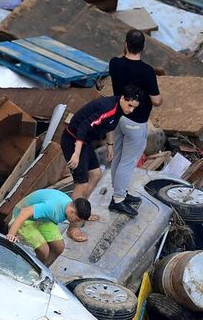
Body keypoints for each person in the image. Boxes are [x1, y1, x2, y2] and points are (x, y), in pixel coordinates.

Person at [60, 84, 143, 242]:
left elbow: (109, 125)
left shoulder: (119, 109)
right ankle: (73, 226)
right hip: (73, 140)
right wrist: (76, 154)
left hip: (86, 143)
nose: (131, 110)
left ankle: (83, 211)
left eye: (134, 107)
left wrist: (110, 145)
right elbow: (83, 127)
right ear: (123, 98)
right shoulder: (108, 108)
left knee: (96, 174)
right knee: (81, 184)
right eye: (130, 105)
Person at [106, 29, 162, 218]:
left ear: (125, 44)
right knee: (128, 162)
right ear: (143, 48)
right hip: (136, 122)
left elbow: (122, 61)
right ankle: (119, 199)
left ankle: (118, 191)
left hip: (118, 116)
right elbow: (156, 100)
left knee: (119, 156)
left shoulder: (115, 63)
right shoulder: (147, 71)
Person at [5, 188, 91, 266]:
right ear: (72, 212)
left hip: (43, 219)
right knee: (44, 251)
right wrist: (11, 234)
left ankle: (44, 268)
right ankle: (33, 271)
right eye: (77, 219)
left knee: (59, 248)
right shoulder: (51, 208)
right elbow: (24, 212)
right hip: (25, 219)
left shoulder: (68, 205)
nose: (77, 222)